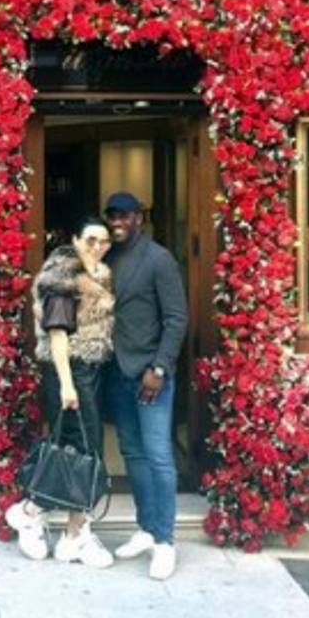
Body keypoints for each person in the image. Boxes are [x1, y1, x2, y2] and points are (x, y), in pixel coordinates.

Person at [5, 216, 116, 568]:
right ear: (75, 239)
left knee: (77, 452)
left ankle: (73, 535)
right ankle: (30, 511)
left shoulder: (98, 273)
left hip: (87, 372)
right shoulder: (63, 276)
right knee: (84, 451)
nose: (98, 246)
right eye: (91, 240)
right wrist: (68, 385)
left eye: (104, 241)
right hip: (69, 373)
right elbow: (57, 335)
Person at [103, 191, 188, 580]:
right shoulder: (106, 257)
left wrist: (160, 367)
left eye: (124, 215)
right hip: (118, 371)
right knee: (133, 453)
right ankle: (146, 528)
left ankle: (166, 541)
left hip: (150, 374)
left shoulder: (159, 259)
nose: (117, 222)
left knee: (158, 456)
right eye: (112, 216)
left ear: (139, 217)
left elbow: (176, 318)